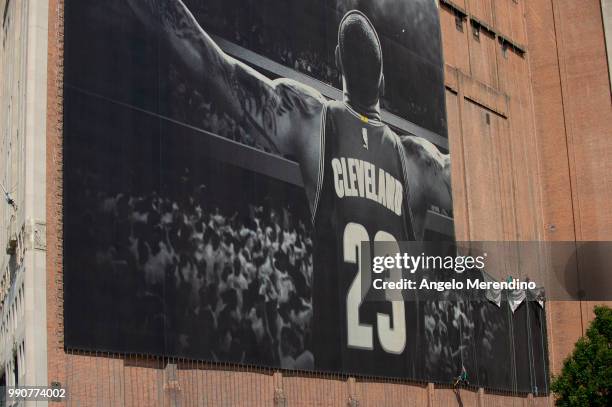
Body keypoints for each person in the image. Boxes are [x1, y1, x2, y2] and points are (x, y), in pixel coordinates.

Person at [126, 0, 452, 373]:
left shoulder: (314, 120)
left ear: (337, 63)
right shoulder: (419, 163)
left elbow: (213, 67)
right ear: (382, 81)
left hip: (338, 386)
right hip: (404, 388)